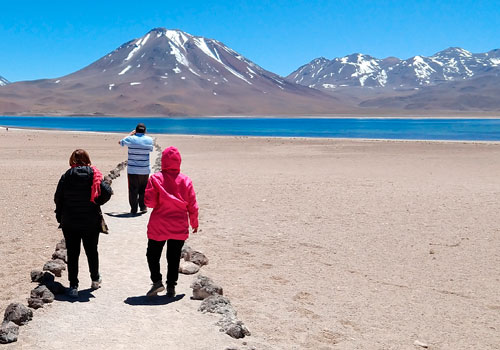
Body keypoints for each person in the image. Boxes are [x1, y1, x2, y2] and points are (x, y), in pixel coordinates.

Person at [54, 149, 113, 298]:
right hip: (90, 220)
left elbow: (58, 197)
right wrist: (97, 201)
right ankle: (95, 279)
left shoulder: (67, 175)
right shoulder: (95, 174)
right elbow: (107, 191)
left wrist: (60, 216)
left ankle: (73, 286)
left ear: (72, 159)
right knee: (92, 251)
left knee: (73, 254)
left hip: (70, 220)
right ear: (87, 159)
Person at [144, 146, 199, 297]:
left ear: (163, 162)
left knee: (152, 255)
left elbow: (150, 203)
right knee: (173, 258)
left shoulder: (156, 179)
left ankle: (156, 281)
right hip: (179, 224)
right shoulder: (186, 181)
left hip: (159, 224)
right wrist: (194, 222)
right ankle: (171, 287)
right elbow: (192, 204)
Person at [118, 123, 154, 214]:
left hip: (132, 170)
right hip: (145, 169)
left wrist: (130, 134)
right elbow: (151, 150)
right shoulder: (149, 140)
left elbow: (120, 142)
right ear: (145, 131)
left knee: (133, 189)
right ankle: (143, 207)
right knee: (143, 189)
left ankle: (134, 209)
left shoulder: (130, 139)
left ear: (136, 130)